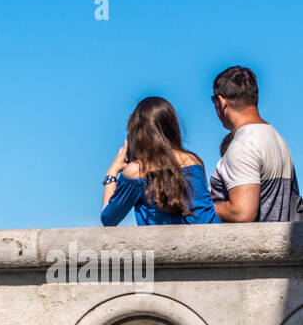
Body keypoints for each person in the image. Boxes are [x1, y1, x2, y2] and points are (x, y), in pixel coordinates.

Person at [102, 97, 219, 226]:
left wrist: (112, 172)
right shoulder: (193, 161)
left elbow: (109, 219)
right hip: (207, 239)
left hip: (166, 245)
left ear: (137, 134)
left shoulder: (137, 171)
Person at [209, 66, 301, 222]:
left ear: (221, 102)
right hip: (279, 243)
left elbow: (242, 212)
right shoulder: (276, 138)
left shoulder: (243, 144)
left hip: (255, 246)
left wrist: (202, 207)